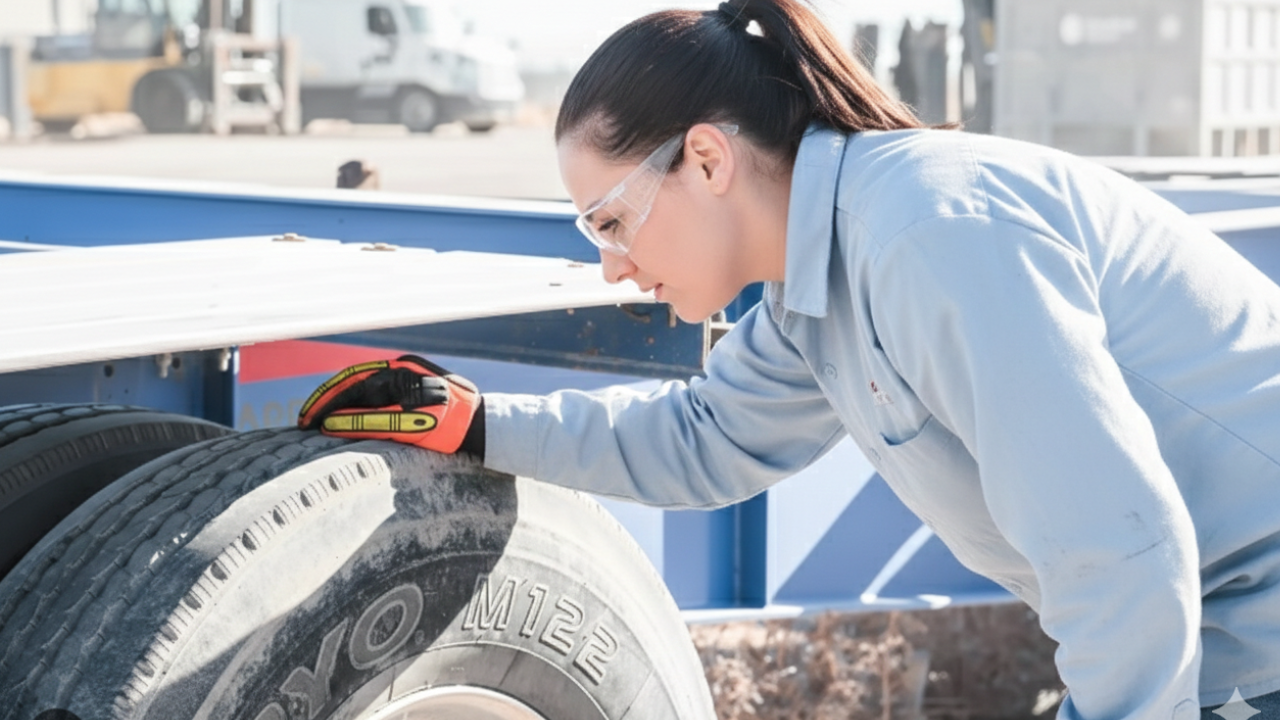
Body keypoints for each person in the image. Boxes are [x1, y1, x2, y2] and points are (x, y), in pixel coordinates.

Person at [296, 1, 1280, 719]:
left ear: (707, 161)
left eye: (610, 219)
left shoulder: (925, 235)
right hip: (1215, 630)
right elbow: (701, 440)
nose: (611, 263)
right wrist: (481, 424)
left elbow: (1115, 545)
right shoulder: (823, 283)